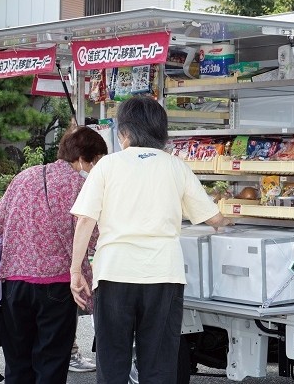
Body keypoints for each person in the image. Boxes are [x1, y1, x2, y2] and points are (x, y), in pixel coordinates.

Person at [69, 95, 232, 384]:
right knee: (159, 361)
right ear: (160, 132)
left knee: (113, 359)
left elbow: (85, 220)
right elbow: (212, 218)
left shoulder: (107, 166)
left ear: (125, 132)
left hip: (114, 273)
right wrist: (229, 221)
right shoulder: (176, 167)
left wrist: (75, 271)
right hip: (163, 274)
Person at [0, 126, 108, 383]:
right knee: (51, 361)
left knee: (18, 361)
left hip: (15, 283)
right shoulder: (80, 186)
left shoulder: (24, 177)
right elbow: (93, 234)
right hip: (56, 285)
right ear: (84, 158)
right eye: (97, 161)